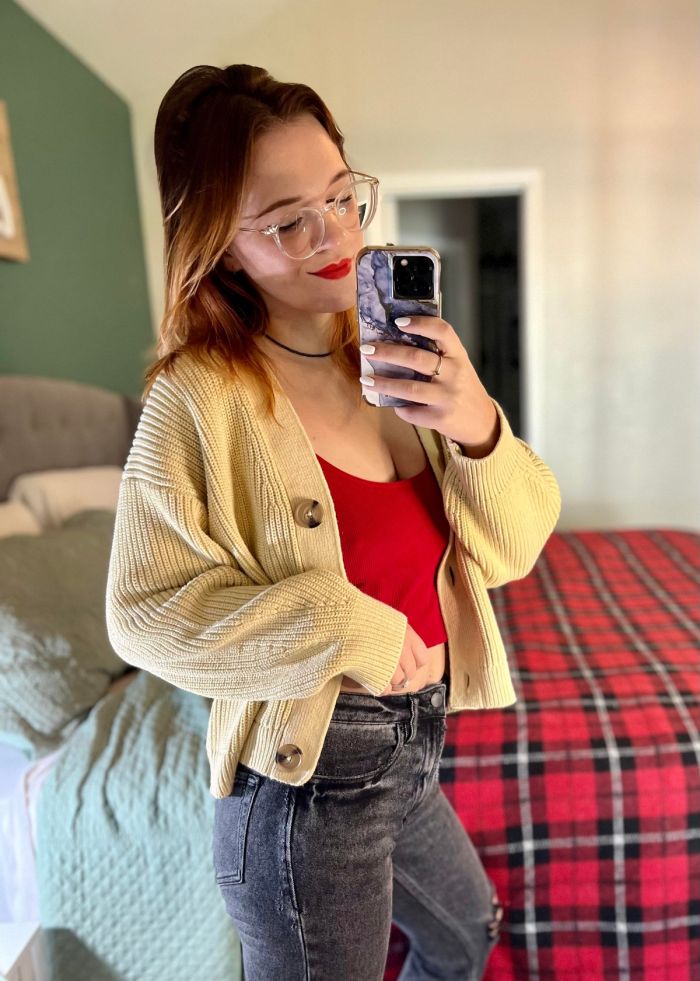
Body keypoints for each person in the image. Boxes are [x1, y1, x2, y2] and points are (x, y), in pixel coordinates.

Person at [105, 63, 561, 981]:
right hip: (304, 783)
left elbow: (513, 550)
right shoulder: (199, 397)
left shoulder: (392, 356)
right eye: (288, 222)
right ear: (222, 247)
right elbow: (141, 613)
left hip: (412, 746)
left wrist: (476, 423)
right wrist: (348, 625)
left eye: (342, 196)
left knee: (467, 934)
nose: (337, 235)